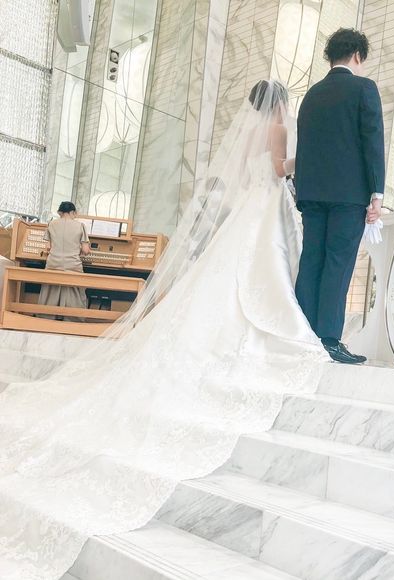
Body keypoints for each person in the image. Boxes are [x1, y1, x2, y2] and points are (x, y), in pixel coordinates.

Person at [0, 81, 325, 580]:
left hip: (248, 210)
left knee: (234, 274)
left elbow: (247, 175)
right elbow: (279, 169)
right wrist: (308, 161)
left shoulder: (248, 135)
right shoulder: (279, 129)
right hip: (264, 210)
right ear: (279, 103)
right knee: (264, 272)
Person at [294, 28, 385, 365]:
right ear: (357, 55)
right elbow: (372, 142)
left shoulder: (311, 95)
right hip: (348, 195)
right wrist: (376, 193)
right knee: (338, 262)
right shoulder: (364, 88)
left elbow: (305, 145)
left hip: (312, 193)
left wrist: (302, 190)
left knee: (311, 260)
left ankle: (302, 335)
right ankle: (329, 340)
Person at [38, 201, 91, 319]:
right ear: (72, 212)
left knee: (50, 287)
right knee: (77, 287)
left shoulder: (51, 224)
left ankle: (46, 316)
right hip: (72, 265)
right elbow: (85, 250)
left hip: (53, 264)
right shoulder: (80, 226)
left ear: (60, 212)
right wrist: (84, 250)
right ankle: (73, 318)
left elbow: (48, 247)